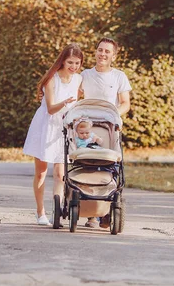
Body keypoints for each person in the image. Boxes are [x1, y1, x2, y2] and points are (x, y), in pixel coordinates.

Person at [23, 44, 83, 225]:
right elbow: (50, 109)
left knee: (60, 174)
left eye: (77, 63)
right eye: (70, 62)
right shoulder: (52, 79)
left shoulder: (78, 79)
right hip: (46, 126)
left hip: (65, 127)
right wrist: (65, 103)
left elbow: (80, 101)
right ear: (63, 61)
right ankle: (40, 212)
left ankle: (56, 211)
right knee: (41, 172)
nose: (73, 66)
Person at [79, 37, 132, 228]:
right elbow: (75, 97)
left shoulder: (119, 76)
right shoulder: (85, 75)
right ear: (95, 51)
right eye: (100, 50)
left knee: (111, 166)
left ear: (113, 56)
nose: (102, 54)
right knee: (87, 165)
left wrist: (112, 113)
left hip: (109, 127)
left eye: (107, 51)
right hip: (86, 127)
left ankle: (108, 211)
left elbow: (125, 103)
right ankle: (91, 214)